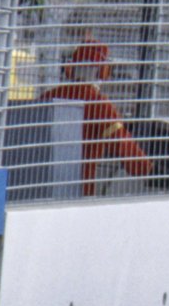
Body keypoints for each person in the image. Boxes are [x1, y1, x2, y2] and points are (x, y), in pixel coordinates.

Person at [46, 38, 152, 197]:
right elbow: (120, 141)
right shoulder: (98, 104)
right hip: (79, 186)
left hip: (43, 183)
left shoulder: (49, 96)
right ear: (102, 70)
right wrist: (147, 170)